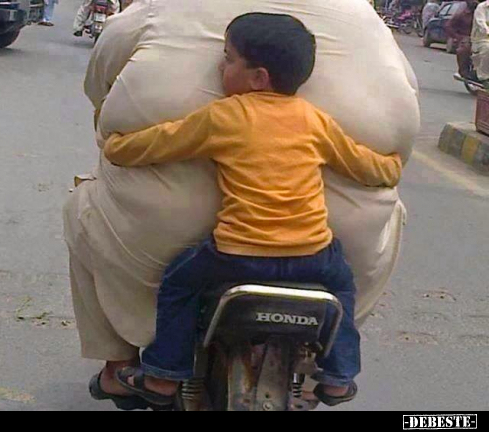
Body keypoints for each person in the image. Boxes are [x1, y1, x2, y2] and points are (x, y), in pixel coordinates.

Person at [102, 13, 403, 408]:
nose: (220, 67)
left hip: (237, 255)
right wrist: (392, 165)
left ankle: (162, 376)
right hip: (313, 257)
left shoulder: (224, 115)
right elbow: (361, 164)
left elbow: (161, 142)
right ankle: (338, 377)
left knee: (178, 283)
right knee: (344, 288)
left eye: (228, 59)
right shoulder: (315, 121)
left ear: (258, 77)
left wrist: (116, 147)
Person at [446, 0, 478, 79]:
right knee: (464, 49)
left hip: (481, 36)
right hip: (467, 37)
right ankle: (463, 71)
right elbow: (449, 26)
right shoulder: (461, 15)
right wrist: (457, 37)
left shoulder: (484, 14)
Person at [471, 0, 489, 84]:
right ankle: (484, 77)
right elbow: (481, 24)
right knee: (487, 49)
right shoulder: (482, 7)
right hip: (481, 39)